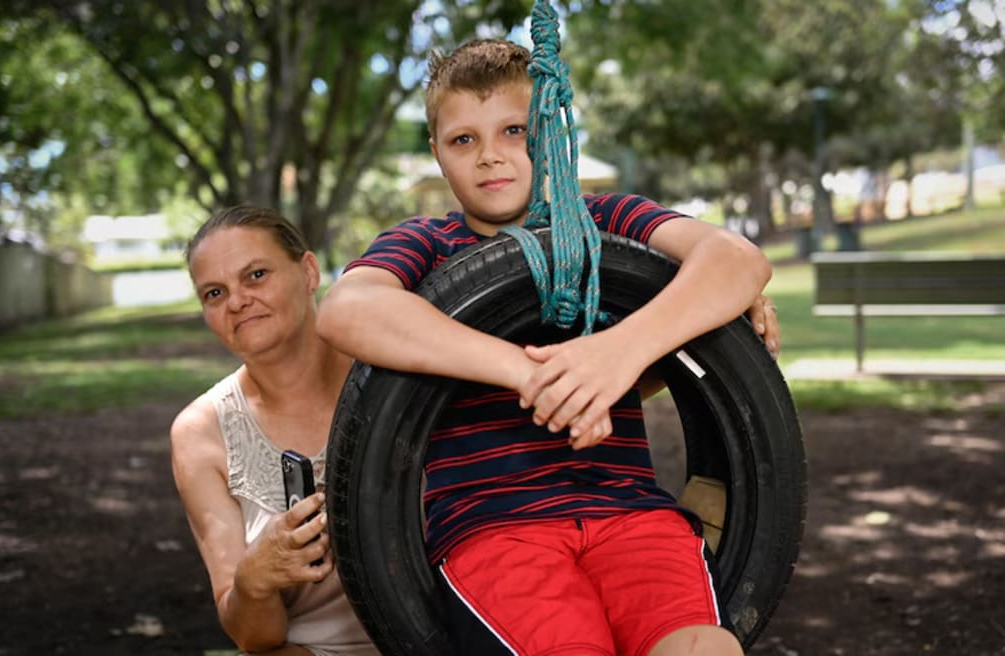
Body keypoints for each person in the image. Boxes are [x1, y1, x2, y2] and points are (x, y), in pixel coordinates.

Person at [316, 39, 776, 656]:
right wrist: (530, 374)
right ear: (436, 153)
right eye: (463, 140)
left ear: (551, 133)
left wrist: (617, 353)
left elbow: (737, 259)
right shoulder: (425, 244)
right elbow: (345, 310)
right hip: (494, 528)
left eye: (515, 130)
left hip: (631, 514)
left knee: (704, 648)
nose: (491, 156)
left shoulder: (604, 223)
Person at [169, 206, 378, 656]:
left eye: (256, 275)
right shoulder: (200, 433)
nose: (237, 302)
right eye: (214, 293)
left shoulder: (391, 376)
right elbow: (253, 638)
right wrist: (255, 579)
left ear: (308, 272)